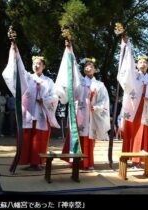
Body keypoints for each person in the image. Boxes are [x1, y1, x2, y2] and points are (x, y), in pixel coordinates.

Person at [2, 42, 60, 171]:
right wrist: (15, 52)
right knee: (26, 137)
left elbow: (55, 97)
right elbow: (19, 71)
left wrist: (44, 100)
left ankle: (37, 162)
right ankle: (25, 161)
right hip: (27, 113)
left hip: (41, 114)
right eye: (34, 63)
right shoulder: (27, 77)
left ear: (44, 66)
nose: (36, 65)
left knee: (39, 139)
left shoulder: (49, 81)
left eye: (39, 63)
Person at [55, 39, 110, 170]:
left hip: (92, 114)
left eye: (90, 66)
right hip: (79, 113)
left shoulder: (100, 85)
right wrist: (69, 50)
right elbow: (71, 68)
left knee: (89, 140)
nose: (87, 67)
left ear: (95, 69)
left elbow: (104, 101)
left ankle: (88, 162)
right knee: (78, 137)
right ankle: (76, 162)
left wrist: (95, 107)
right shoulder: (79, 81)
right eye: (86, 66)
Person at [117, 33, 148, 168]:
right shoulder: (133, 75)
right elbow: (126, 65)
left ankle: (143, 159)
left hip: (146, 108)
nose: (143, 64)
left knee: (144, 133)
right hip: (133, 107)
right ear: (136, 64)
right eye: (140, 62)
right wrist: (126, 45)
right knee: (133, 132)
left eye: (145, 62)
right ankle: (131, 158)